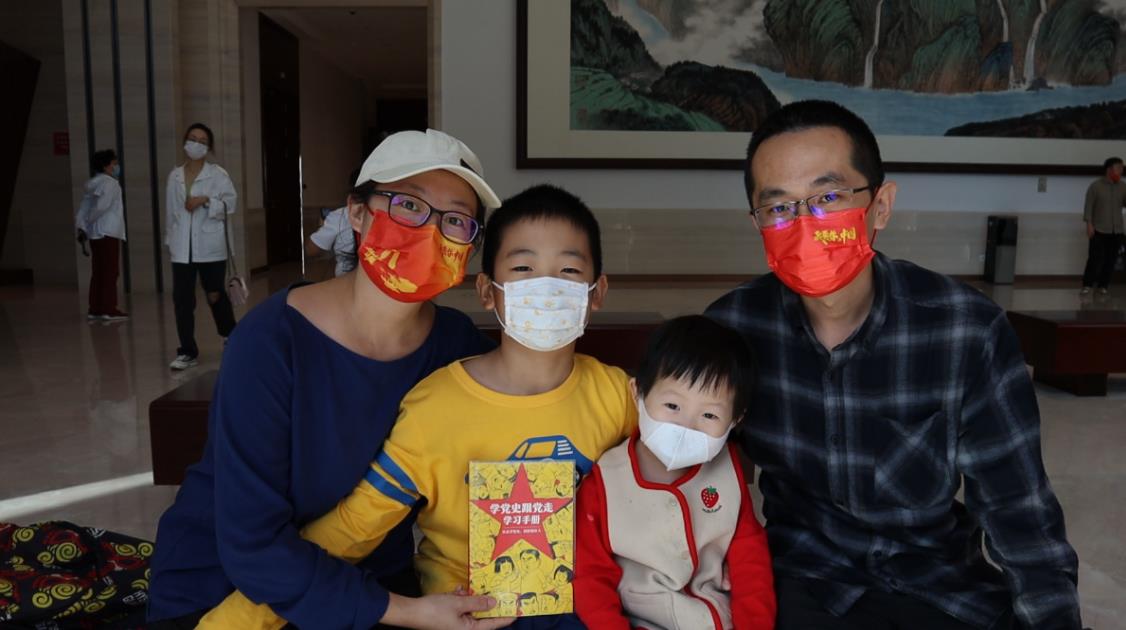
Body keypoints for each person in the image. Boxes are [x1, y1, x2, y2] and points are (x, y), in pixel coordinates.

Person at [706, 100, 1081, 630]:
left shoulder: (964, 331)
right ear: (757, 222)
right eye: (779, 207)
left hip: (939, 586)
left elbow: (1019, 513)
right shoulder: (733, 330)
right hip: (806, 582)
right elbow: (696, 485)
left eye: (828, 197)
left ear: (880, 206)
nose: (805, 224)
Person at [196, 184, 637, 629]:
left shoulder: (619, 398)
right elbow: (354, 527)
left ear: (596, 292)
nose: (546, 287)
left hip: (589, 614)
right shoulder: (436, 407)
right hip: (467, 617)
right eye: (523, 268)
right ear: (487, 291)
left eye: (568, 270)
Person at [146, 129, 503, 629]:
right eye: (408, 205)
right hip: (226, 589)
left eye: (456, 220)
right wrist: (411, 611)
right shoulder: (271, 341)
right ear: (356, 213)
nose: (430, 230)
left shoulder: (456, 344)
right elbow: (252, 544)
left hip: (370, 579)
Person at [575, 315, 776, 629]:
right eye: (672, 406)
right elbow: (590, 578)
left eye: (709, 415)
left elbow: (750, 561)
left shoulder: (727, 471)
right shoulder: (605, 481)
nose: (686, 426)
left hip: (717, 619)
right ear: (638, 393)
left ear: (736, 420)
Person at [164, 123, 239, 370]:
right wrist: (170, 241)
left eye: (202, 140)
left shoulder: (218, 174)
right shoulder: (175, 176)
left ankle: (230, 334)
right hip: (181, 247)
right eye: (192, 138)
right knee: (182, 299)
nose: (196, 144)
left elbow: (230, 204)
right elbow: (170, 212)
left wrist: (206, 201)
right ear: (185, 142)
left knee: (214, 293)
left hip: (211, 245)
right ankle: (187, 350)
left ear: (208, 147)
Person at [75, 149, 128, 320]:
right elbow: (102, 206)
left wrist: (83, 226)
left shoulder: (92, 184)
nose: (116, 166)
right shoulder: (110, 184)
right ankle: (108, 308)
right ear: (106, 166)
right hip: (108, 232)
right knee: (110, 271)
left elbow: (84, 209)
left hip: (95, 234)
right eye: (114, 163)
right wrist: (89, 221)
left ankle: (95, 308)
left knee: (98, 271)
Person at [1081, 156, 1126, 295]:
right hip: (1099, 229)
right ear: (1109, 169)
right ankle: (1087, 285)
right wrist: (1089, 224)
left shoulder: (1123, 186)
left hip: (1117, 229)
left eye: (1122, 169)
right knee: (1095, 259)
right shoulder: (1095, 186)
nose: (1121, 171)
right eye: (1119, 168)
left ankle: (1103, 285)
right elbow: (1088, 207)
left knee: (1111, 260)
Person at [306, 206, 357, 277]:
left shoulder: (341, 215)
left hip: (345, 279)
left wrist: (321, 227)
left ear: (350, 201)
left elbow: (311, 250)